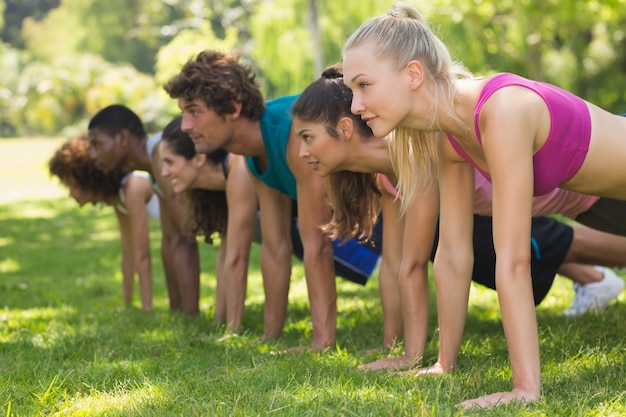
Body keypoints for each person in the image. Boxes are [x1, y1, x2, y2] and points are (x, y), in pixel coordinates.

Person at [297, 56, 626, 407]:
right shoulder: (405, 166)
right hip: (585, 201)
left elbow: (417, 262)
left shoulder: (437, 144)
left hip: (595, 185)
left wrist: (414, 355)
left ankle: (596, 280)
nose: (301, 152)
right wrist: (404, 351)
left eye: (364, 86)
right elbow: (403, 263)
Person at [157, 114, 382, 342]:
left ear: (198, 159)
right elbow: (227, 255)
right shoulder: (227, 175)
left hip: (346, 219)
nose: (164, 173)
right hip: (321, 218)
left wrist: (231, 332)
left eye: (169, 162)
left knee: (378, 258)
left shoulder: (240, 168)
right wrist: (219, 320)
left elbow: (238, 257)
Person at [87, 105, 200, 316]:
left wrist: (191, 317)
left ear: (122, 138)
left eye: (97, 144)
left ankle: (190, 313)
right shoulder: (153, 163)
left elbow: (185, 237)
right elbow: (170, 238)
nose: (93, 155)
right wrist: (175, 311)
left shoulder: (160, 153)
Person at [48, 135, 159, 311]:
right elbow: (128, 252)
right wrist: (127, 303)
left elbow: (142, 254)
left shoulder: (133, 187)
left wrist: (147, 309)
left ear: (89, 179)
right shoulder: (117, 197)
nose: (70, 193)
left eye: (73, 185)